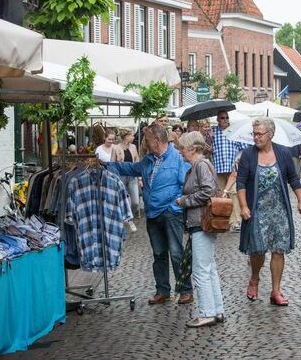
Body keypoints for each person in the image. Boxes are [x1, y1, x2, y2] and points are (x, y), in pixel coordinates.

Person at [103, 124, 193, 305]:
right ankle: (162, 290)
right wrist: (106, 165)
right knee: (159, 253)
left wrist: (175, 206)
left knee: (176, 253)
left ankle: (185, 290)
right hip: (152, 214)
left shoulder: (177, 158)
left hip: (170, 212)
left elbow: (186, 186)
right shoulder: (149, 160)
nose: (144, 142)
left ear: (157, 141)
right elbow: (130, 168)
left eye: (147, 139)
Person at [236, 117, 301, 306]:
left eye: (259, 134)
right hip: (257, 211)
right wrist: (243, 206)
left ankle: (276, 291)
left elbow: (293, 178)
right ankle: (255, 278)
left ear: (270, 134)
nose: (255, 137)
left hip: (279, 210)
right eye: (254, 133)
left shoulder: (282, 152)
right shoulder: (248, 155)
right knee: (257, 250)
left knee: (278, 250)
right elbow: (241, 182)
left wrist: (300, 200)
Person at [175, 132, 224, 328]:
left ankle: (206, 313)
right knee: (209, 269)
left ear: (193, 149)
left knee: (201, 270)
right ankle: (217, 310)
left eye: (182, 149)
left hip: (201, 222)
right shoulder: (201, 165)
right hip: (202, 222)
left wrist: (184, 201)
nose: (180, 152)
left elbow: (208, 192)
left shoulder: (200, 165)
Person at [211, 110, 245, 230]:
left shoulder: (235, 131)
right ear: (217, 119)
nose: (225, 119)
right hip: (218, 168)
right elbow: (206, 147)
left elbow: (243, 148)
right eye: (222, 118)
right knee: (221, 195)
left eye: (226, 117)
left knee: (234, 193)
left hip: (233, 169)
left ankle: (236, 222)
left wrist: (239, 160)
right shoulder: (212, 131)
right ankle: (223, 221)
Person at [111, 128, 140, 228]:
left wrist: (139, 178)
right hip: (121, 176)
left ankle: (129, 216)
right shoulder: (116, 148)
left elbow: (137, 161)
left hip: (132, 176)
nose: (133, 137)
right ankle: (128, 219)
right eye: (132, 135)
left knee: (135, 202)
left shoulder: (133, 147)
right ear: (126, 136)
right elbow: (112, 164)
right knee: (124, 199)